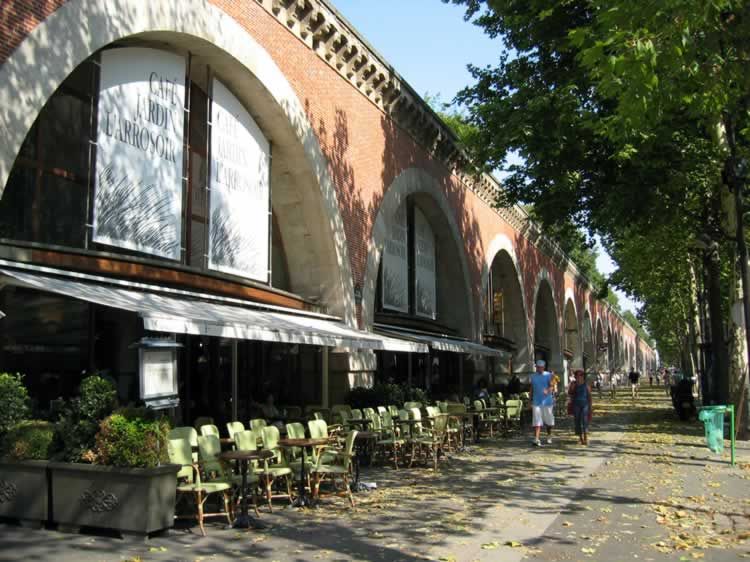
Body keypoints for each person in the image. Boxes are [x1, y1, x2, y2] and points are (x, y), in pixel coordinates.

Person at [530, 359, 554, 446]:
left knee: (548, 421)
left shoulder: (548, 375)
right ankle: (536, 439)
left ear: (543, 367)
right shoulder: (533, 376)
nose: (539, 369)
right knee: (537, 421)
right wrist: (530, 400)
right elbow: (531, 388)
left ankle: (549, 435)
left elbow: (552, 386)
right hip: (536, 402)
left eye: (540, 367)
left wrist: (547, 390)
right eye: (537, 367)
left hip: (547, 402)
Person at [570, 369, 593, 445]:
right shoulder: (573, 384)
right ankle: (580, 438)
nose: (579, 377)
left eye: (581, 375)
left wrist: (590, 407)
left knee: (584, 420)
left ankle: (586, 437)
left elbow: (589, 396)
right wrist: (572, 387)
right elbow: (570, 393)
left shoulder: (586, 385)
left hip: (585, 405)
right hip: (576, 405)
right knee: (577, 421)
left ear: (583, 377)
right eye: (577, 376)